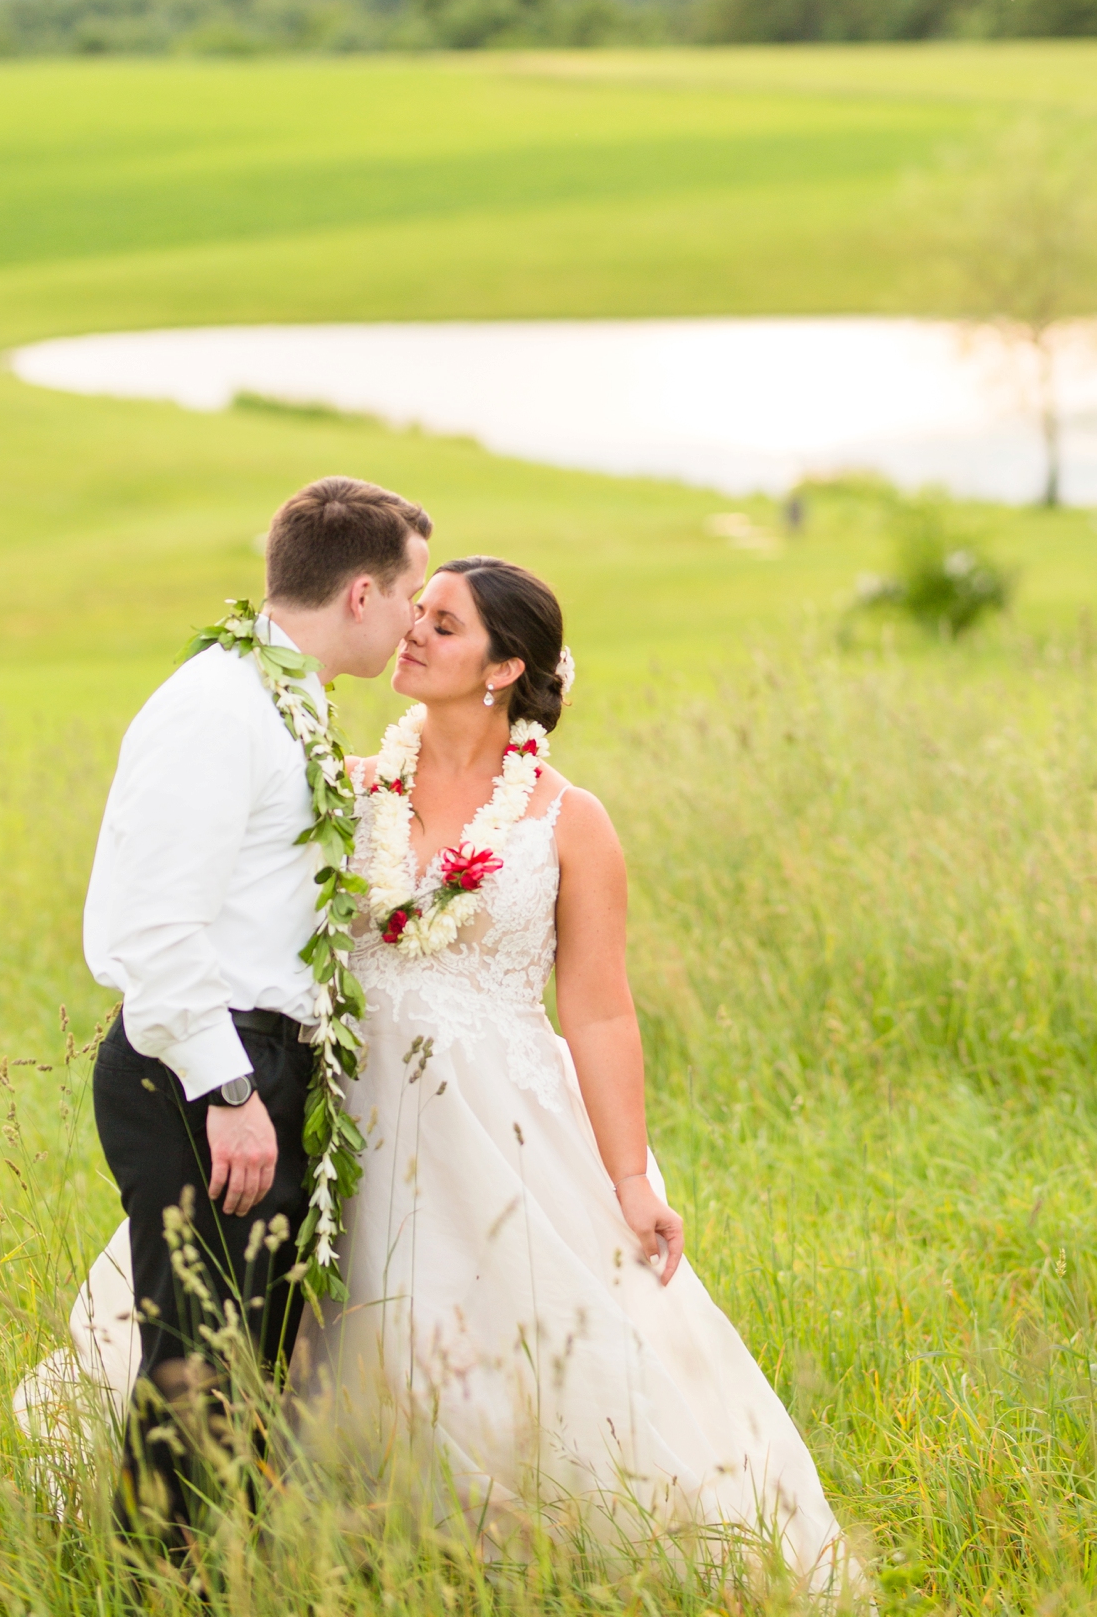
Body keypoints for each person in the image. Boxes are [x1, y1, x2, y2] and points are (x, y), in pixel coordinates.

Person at [301, 556, 849, 1585]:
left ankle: (527, 1549)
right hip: (352, 1111)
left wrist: (631, 1178)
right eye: (416, 614)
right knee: (353, 1329)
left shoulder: (568, 821)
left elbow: (597, 1010)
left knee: (519, 1345)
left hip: (499, 1125)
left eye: (444, 625)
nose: (411, 633)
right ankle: (359, 1538)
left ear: (504, 666)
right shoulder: (350, 786)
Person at [82, 475, 431, 1548]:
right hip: (200, 1067)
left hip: (256, 1064)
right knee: (195, 1365)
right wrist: (227, 1085)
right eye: (415, 594)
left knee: (249, 1364)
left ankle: (229, 1572)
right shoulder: (216, 705)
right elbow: (154, 925)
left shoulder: (286, 699)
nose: (419, 619)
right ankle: (164, 1584)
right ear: (363, 594)